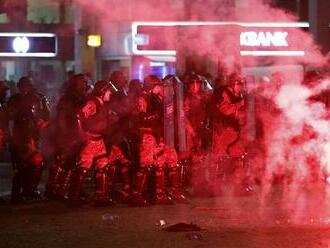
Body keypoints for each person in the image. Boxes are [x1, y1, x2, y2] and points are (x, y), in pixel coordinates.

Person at [131, 75, 186, 206]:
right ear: (152, 86)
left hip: (157, 135)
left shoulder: (155, 99)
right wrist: (157, 114)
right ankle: (136, 195)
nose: (160, 88)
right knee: (145, 165)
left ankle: (161, 195)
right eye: (158, 86)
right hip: (146, 135)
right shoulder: (143, 98)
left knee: (161, 163)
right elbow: (140, 118)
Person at [68, 80, 113, 207]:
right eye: (108, 91)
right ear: (103, 92)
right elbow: (79, 115)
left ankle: (101, 197)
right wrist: (80, 133)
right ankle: (74, 197)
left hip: (99, 140)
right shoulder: (92, 102)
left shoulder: (102, 104)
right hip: (90, 140)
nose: (110, 93)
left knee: (103, 167)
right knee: (82, 169)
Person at [44, 74, 89, 200]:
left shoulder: (80, 97)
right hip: (67, 135)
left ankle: (69, 189)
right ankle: (55, 189)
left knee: (74, 163)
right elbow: (62, 117)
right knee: (63, 163)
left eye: (85, 82)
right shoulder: (68, 98)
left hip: (76, 134)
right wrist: (64, 136)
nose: (85, 84)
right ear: (75, 84)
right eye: (82, 82)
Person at [8, 76, 50, 202]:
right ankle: (16, 194)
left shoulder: (39, 98)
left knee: (36, 163)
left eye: (28, 86)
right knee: (23, 165)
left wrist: (41, 122)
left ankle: (29, 190)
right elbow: (9, 117)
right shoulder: (15, 100)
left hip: (33, 136)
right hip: (20, 136)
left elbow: (47, 115)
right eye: (24, 86)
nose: (26, 88)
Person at [210, 73, 251, 195]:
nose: (241, 87)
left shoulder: (238, 94)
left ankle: (237, 185)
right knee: (220, 159)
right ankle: (216, 188)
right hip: (223, 130)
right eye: (239, 84)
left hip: (233, 130)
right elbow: (226, 110)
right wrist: (240, 104)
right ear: (233, 85)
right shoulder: (224, 93)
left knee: (238, 156)